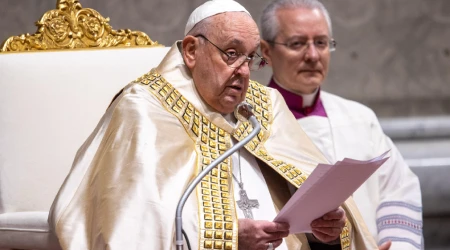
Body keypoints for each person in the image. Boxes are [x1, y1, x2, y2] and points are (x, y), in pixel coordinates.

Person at [49, 1, 379, 249]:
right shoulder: (145, 107)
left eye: (250, 58)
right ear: (192, 50)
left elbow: (308, 207)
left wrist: (326, 231)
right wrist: (228, 238)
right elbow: (129, 224)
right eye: (231, 53)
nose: (244, 71)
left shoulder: (263, 107)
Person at [259, 0, 423, 249]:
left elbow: (398, 188)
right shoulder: (248, 123)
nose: (313, 55)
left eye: (321, 43)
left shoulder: (359, 118)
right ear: (266, 51)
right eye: (297, 43)